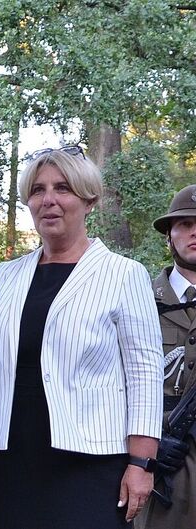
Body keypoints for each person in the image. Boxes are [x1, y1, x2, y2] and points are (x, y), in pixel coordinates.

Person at [0, 146, 164, 528]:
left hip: (92, 463)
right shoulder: (5, 276)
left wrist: (141, 463)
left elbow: (146, 376)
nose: (49, 200)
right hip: (10, 460)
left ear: (88, 199)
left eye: (63, 188)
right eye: (38, 190)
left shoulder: (123, 274)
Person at [135, 184, 196, 529]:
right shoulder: (139, 298)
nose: (194, 232)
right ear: (168, 237)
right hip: (156, 466)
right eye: (185, 224)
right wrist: (151, 439)